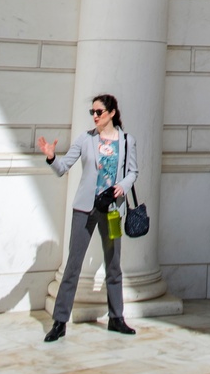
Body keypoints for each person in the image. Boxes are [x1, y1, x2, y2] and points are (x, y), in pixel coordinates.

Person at [38, 92, 137, 341]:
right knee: (73, 265)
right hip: (85, 209)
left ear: (111, 113)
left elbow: (133, 171)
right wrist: (51, 156)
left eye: (99, 112)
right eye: (92, 112)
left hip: (113, 210)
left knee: (113, 265)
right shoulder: (85, 139)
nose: (94, 116)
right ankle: (60, 322)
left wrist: (122, 186)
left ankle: (117, 318)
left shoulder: (126, 141)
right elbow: (62, 169)